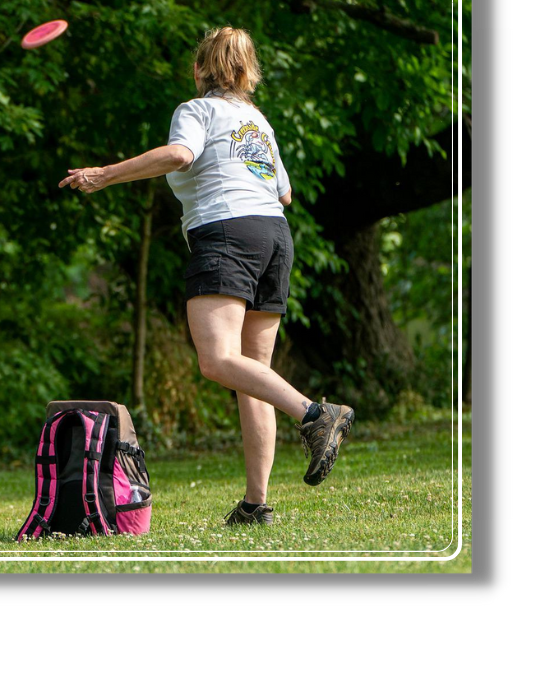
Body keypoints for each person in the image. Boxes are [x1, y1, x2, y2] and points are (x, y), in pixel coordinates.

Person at [59, 27, 354, 526]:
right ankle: (256, 505)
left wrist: (105, 174)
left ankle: (315, 414)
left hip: (227, 232)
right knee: (252, 375)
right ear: (247, 72)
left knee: (217, 360)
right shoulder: (259, 122)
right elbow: (285, 193)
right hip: (274, 236)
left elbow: (179, 155)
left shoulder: (195, 110)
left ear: (199, 70)